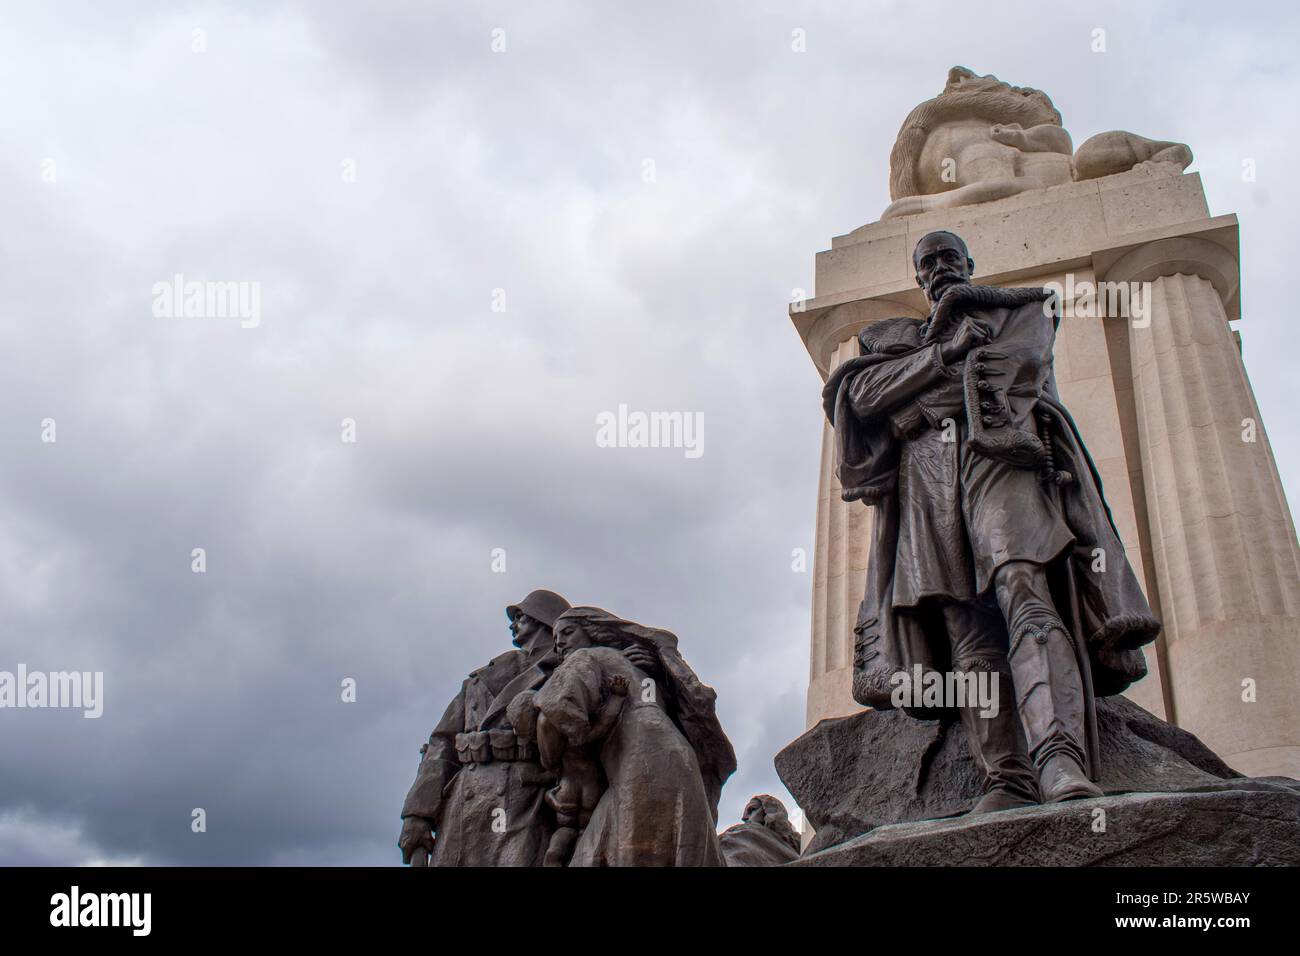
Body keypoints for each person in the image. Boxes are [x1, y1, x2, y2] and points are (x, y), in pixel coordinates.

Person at [822, 230, 1160, 809]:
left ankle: (1059, 759)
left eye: (948, 258)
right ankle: (1006, 777)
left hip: (1001, 464)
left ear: (969, 264)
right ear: (919, 278)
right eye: (927, 264)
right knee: (967, 634)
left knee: (1025, 591)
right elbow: (862, 399)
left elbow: (1016, 374)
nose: (939, 270)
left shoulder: (1018, 310)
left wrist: (918, 404)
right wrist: (942, 360)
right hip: (927, 486)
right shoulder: (897, 341)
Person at [511, 606, 735, 866]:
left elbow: (553, 714)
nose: (560, 643)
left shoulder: (584, 657)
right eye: (556, 638)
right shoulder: (629, 663)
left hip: (642, 763)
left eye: (568, 632)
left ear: (592, 632)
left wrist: (553, 749)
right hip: (679, 760)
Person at [397, 589, 571, 866]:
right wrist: (418, 813)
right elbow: (442, 744)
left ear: (543, 619)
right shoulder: (482, 677)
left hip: (526, 800)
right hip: (465, 803)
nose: (512, 623)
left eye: (521, 616)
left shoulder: (568, 669)